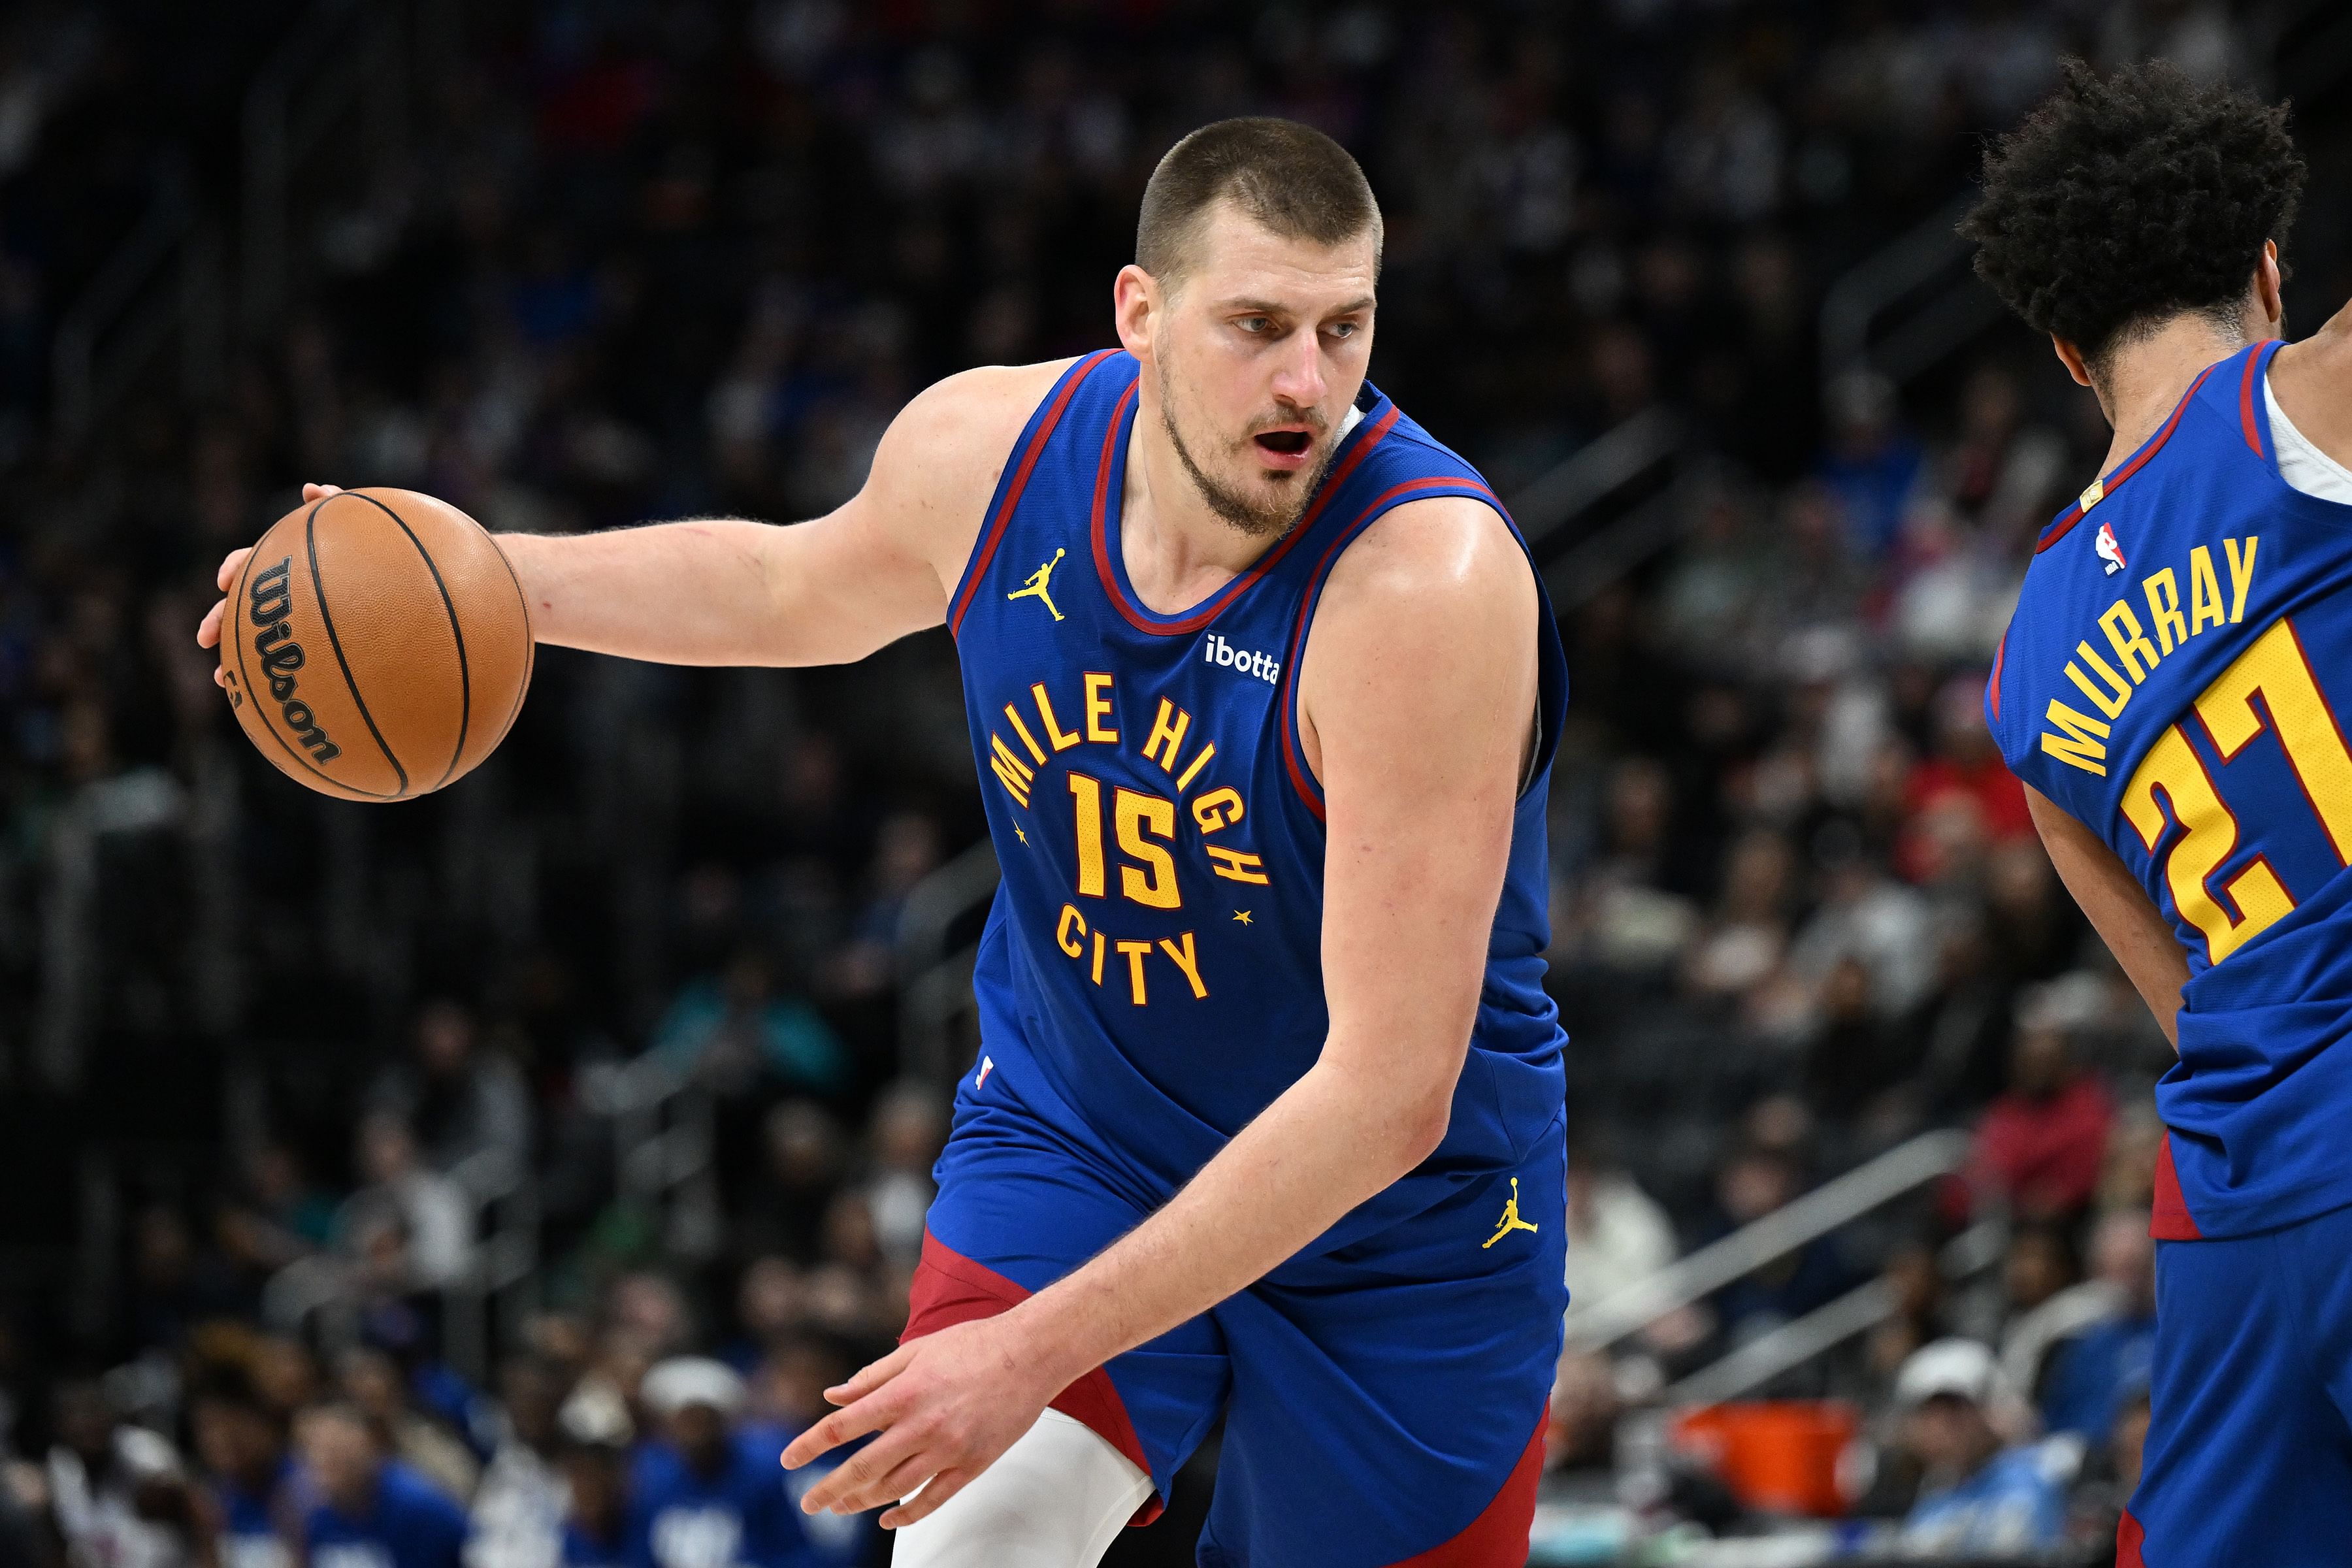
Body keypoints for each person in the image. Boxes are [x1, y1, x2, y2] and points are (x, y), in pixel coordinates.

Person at [199, 115, 1569, 1564]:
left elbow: (1382, 1098)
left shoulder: (1427, 588)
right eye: (1258, 326)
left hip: (1397, 1228)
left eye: (1343, 328)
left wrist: (1027, 1350)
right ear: (1141, 314)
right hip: (1089, 1133)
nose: (1308, 383)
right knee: (969, 1544)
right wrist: (455, 584)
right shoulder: (992, 450)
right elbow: (791, 590)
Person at [1969, 59, 2352, 1563]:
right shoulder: (2307, 391)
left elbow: (2183, 994)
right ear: (2266, 269)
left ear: (2068, 354)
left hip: (2239, 1195)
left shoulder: (2024, 657)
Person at [627, 1360, 816, 1568]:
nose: (695, 1434)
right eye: (686, 1423)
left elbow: (795, 1552)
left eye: (704, 1422)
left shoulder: (761, 1478)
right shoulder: (652, 1480)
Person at [1891, 1339, 2068, 1558]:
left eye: (1954, 1412)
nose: (1940, 1429)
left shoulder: (2030, 1478)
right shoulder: (1935, 1497)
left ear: (1989, 1410)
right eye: (1929, 1415)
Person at [296, 1404, 468, 1568]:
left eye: (335, 1449)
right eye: (315, 1450)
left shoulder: (418, 1506)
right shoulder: (316, 1513)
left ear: (369, 1446)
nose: (323, 1460)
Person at [189, 1371, 298, 1568]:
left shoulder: (308, 1489)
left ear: (265, 1424)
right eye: (209, 1428)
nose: (221, 1439)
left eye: (232, 1423)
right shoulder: (214, 1498)